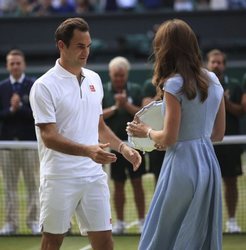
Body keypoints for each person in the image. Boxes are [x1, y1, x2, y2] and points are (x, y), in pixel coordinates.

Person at [29, 17, 141, 250]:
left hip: (93, 176)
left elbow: (99, 126)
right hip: (59, 177)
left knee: (105, 244)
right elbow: (48, 137)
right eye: (80, 46)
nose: (86, 52)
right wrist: (87, 151)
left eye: (88, 46)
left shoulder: (95, 79)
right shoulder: (43, 86)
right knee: (52, 243)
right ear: (62, 45)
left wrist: (123, 147)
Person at [127, 19, 225, 249]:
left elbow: (169, 138)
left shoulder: (173, 83)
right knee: (199, 239)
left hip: (181, 166)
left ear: (165, 48)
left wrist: (147, 131)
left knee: (162, 237)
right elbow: (218, 134)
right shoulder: (214, 80)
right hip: (209, 165)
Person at [102, 56, 146, 234]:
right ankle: (119, 222)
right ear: (111, 75)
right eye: (115, 76)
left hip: (136, 144)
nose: (118, 79)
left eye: (121, 75)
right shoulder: (103, 90)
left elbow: (143, 114)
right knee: (118, 184)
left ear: (126, 75)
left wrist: (125, 105)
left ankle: (143, 220)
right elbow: (97, 116)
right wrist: (114, 107)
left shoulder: (136, 90)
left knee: (137, 182)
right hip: (113, 145)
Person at [0, 49, 39, 235]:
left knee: (32, 184)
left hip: (29, 144)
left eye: (18, 63)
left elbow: (37, 114)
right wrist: (10, 109)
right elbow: (2, 115)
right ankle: (10, 223)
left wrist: (20, 107)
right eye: (12, 63)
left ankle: (33, 221)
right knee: (9, 186)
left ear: (23, 65)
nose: (15, 66)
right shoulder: (2, 87)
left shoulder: (33, 86)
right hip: (7, 144)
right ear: (8, 66)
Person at [206, 49, 244, 233]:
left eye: (219, 62)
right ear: (207, 63)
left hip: (230, 141)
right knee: (206, 183)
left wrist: (223, 100)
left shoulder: (235, 86)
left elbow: (241, 111)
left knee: (231, 181)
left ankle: (231, 220)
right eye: (213, 62)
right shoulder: (201, 85)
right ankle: (208, 222)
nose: (216, 65)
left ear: (225, 65)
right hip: (207, 142)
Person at [142, 78, 165, 184]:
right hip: (156, 140)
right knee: (158, 178)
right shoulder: (149, 84)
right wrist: (161, 95)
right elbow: (146, 106)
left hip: (172, 139)